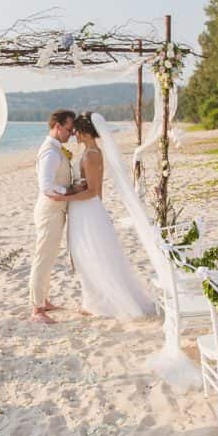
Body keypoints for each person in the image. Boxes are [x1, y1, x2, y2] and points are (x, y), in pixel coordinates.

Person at [48, 112, 156, 319]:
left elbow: (93, 191)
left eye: (77, 131)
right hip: (85, 209)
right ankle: (92, 300)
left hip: (86, 210)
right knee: (85, 254)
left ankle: (100, 303)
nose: (74, 134)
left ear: (86, 132)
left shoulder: (91, 155)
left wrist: (64, 197)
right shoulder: (90, 152)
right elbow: (95, 191)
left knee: (90, 254)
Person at [27, 109, 78, 324]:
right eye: (69, 129)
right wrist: (70, 191)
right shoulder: (49, 152)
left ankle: (44, 299)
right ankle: (37, 309)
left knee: (50, 256)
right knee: (43, 256)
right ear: (57, 126)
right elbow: (46, 186)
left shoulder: (57, 149)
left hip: (57, 209)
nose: (72, 134)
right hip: (49, 210)